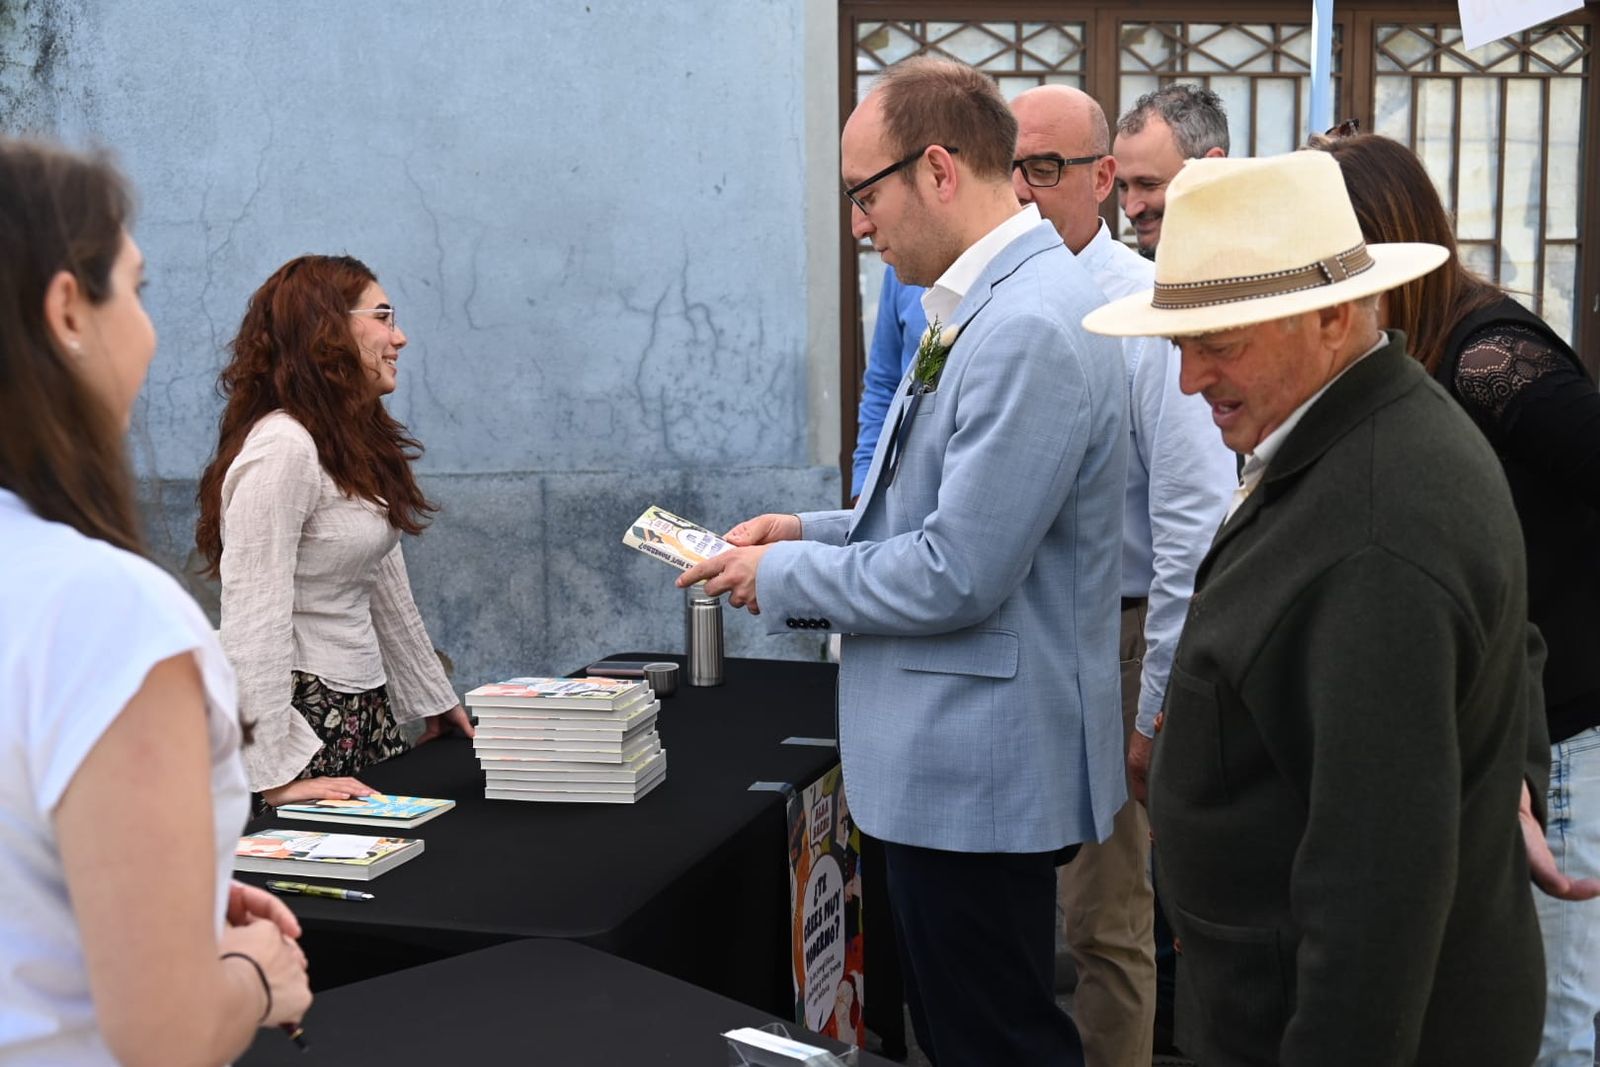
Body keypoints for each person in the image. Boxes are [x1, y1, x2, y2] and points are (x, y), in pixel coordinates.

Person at [679, 56, 1128, 1065]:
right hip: (951, 760)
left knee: (995, 1037)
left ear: (936, 169)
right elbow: (917, 510)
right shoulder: (980, 306)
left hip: (976, 767)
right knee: (967, 1025)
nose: (857, 225)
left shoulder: (1025, 325)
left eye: (861, 193)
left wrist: (779, 579)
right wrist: (799, 531)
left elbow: (955, 569)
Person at [1084, 149, 1549, 1064]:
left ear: (1333, 315)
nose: (1189, 380)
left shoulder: (1380, 518)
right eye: (1179, 343)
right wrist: (1505, 775)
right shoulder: (1361, 431)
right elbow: (1511, 641)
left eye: (1218, 342)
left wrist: (1504, 780)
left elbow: (1374, 898)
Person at [0, 139, 311, 1064]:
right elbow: (164, 1036)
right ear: (66, 309)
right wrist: (260, 975)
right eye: (136, 290)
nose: (151, 330)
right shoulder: (100, 610)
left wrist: (162, 884)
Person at [1310, 130, 1600, 1067]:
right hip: (1497, 732)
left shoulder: (1485, 356)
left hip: (1561, 728)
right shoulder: (1410, 352)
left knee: (1553, 1018)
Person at [1010, 83, 1235, 1067]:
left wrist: (1154, 701)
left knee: (1106, 914)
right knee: (1031, 902)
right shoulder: (991, 298)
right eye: (1006, 167)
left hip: (1118, 632)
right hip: (1024, 636)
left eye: (1044, 169)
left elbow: (1191, 517)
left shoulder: (1144, 304)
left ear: (1098, 180)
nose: (1020, 190)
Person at [195, 255, 473, 809]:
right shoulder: (284, 447)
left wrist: (432, 699)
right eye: (383, 316)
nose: (401, 337)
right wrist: (270, 776)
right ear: (329, 329)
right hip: (300, 719)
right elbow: (253, 614)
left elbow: (383, 583)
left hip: (360, 707)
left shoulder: (346, 442)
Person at [1112, 83, 1228, 258]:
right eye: (1122, 186)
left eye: (1148, 184)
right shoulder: (1124, 279)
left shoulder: (1266, 273)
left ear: (1210, 168)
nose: (1130, 209)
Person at [852, 266, 926, 499]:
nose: (861, 230)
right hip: (901, 493)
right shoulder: (900, 270)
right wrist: (864, 487)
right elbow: (883, 384)